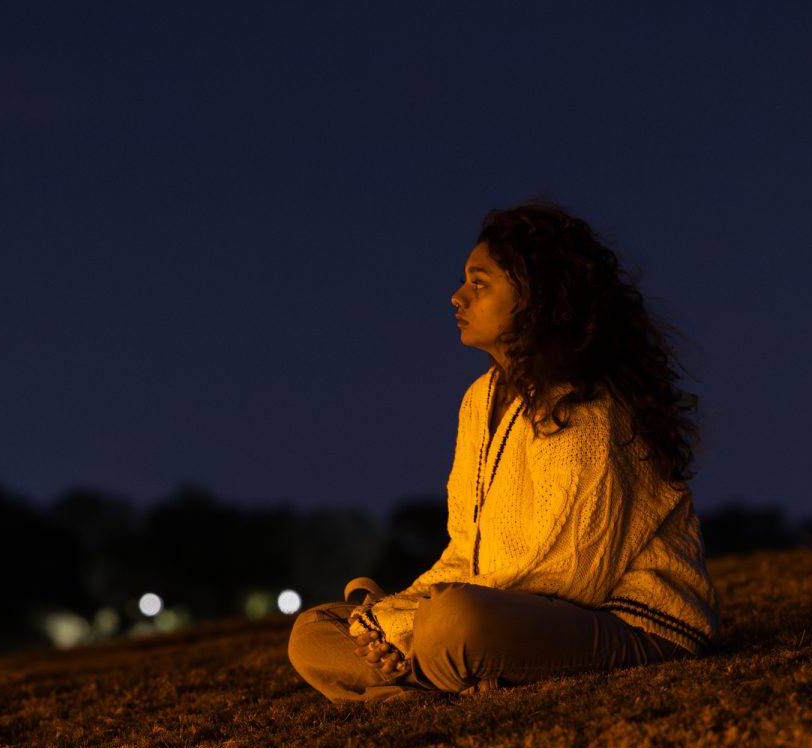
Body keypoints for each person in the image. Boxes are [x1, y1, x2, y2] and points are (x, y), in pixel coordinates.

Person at [288, 200, 720, 702]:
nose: (456, 297)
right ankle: (425, 680)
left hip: (624, 621)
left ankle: (411, 677)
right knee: (314, 631)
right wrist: (390, 616)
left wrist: (399, 624)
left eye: (479, 282)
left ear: (537, 296)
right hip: (500, 610)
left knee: (454, 622)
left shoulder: (591, 403)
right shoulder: (480, 400)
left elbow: (569, 574)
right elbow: (464, 553)